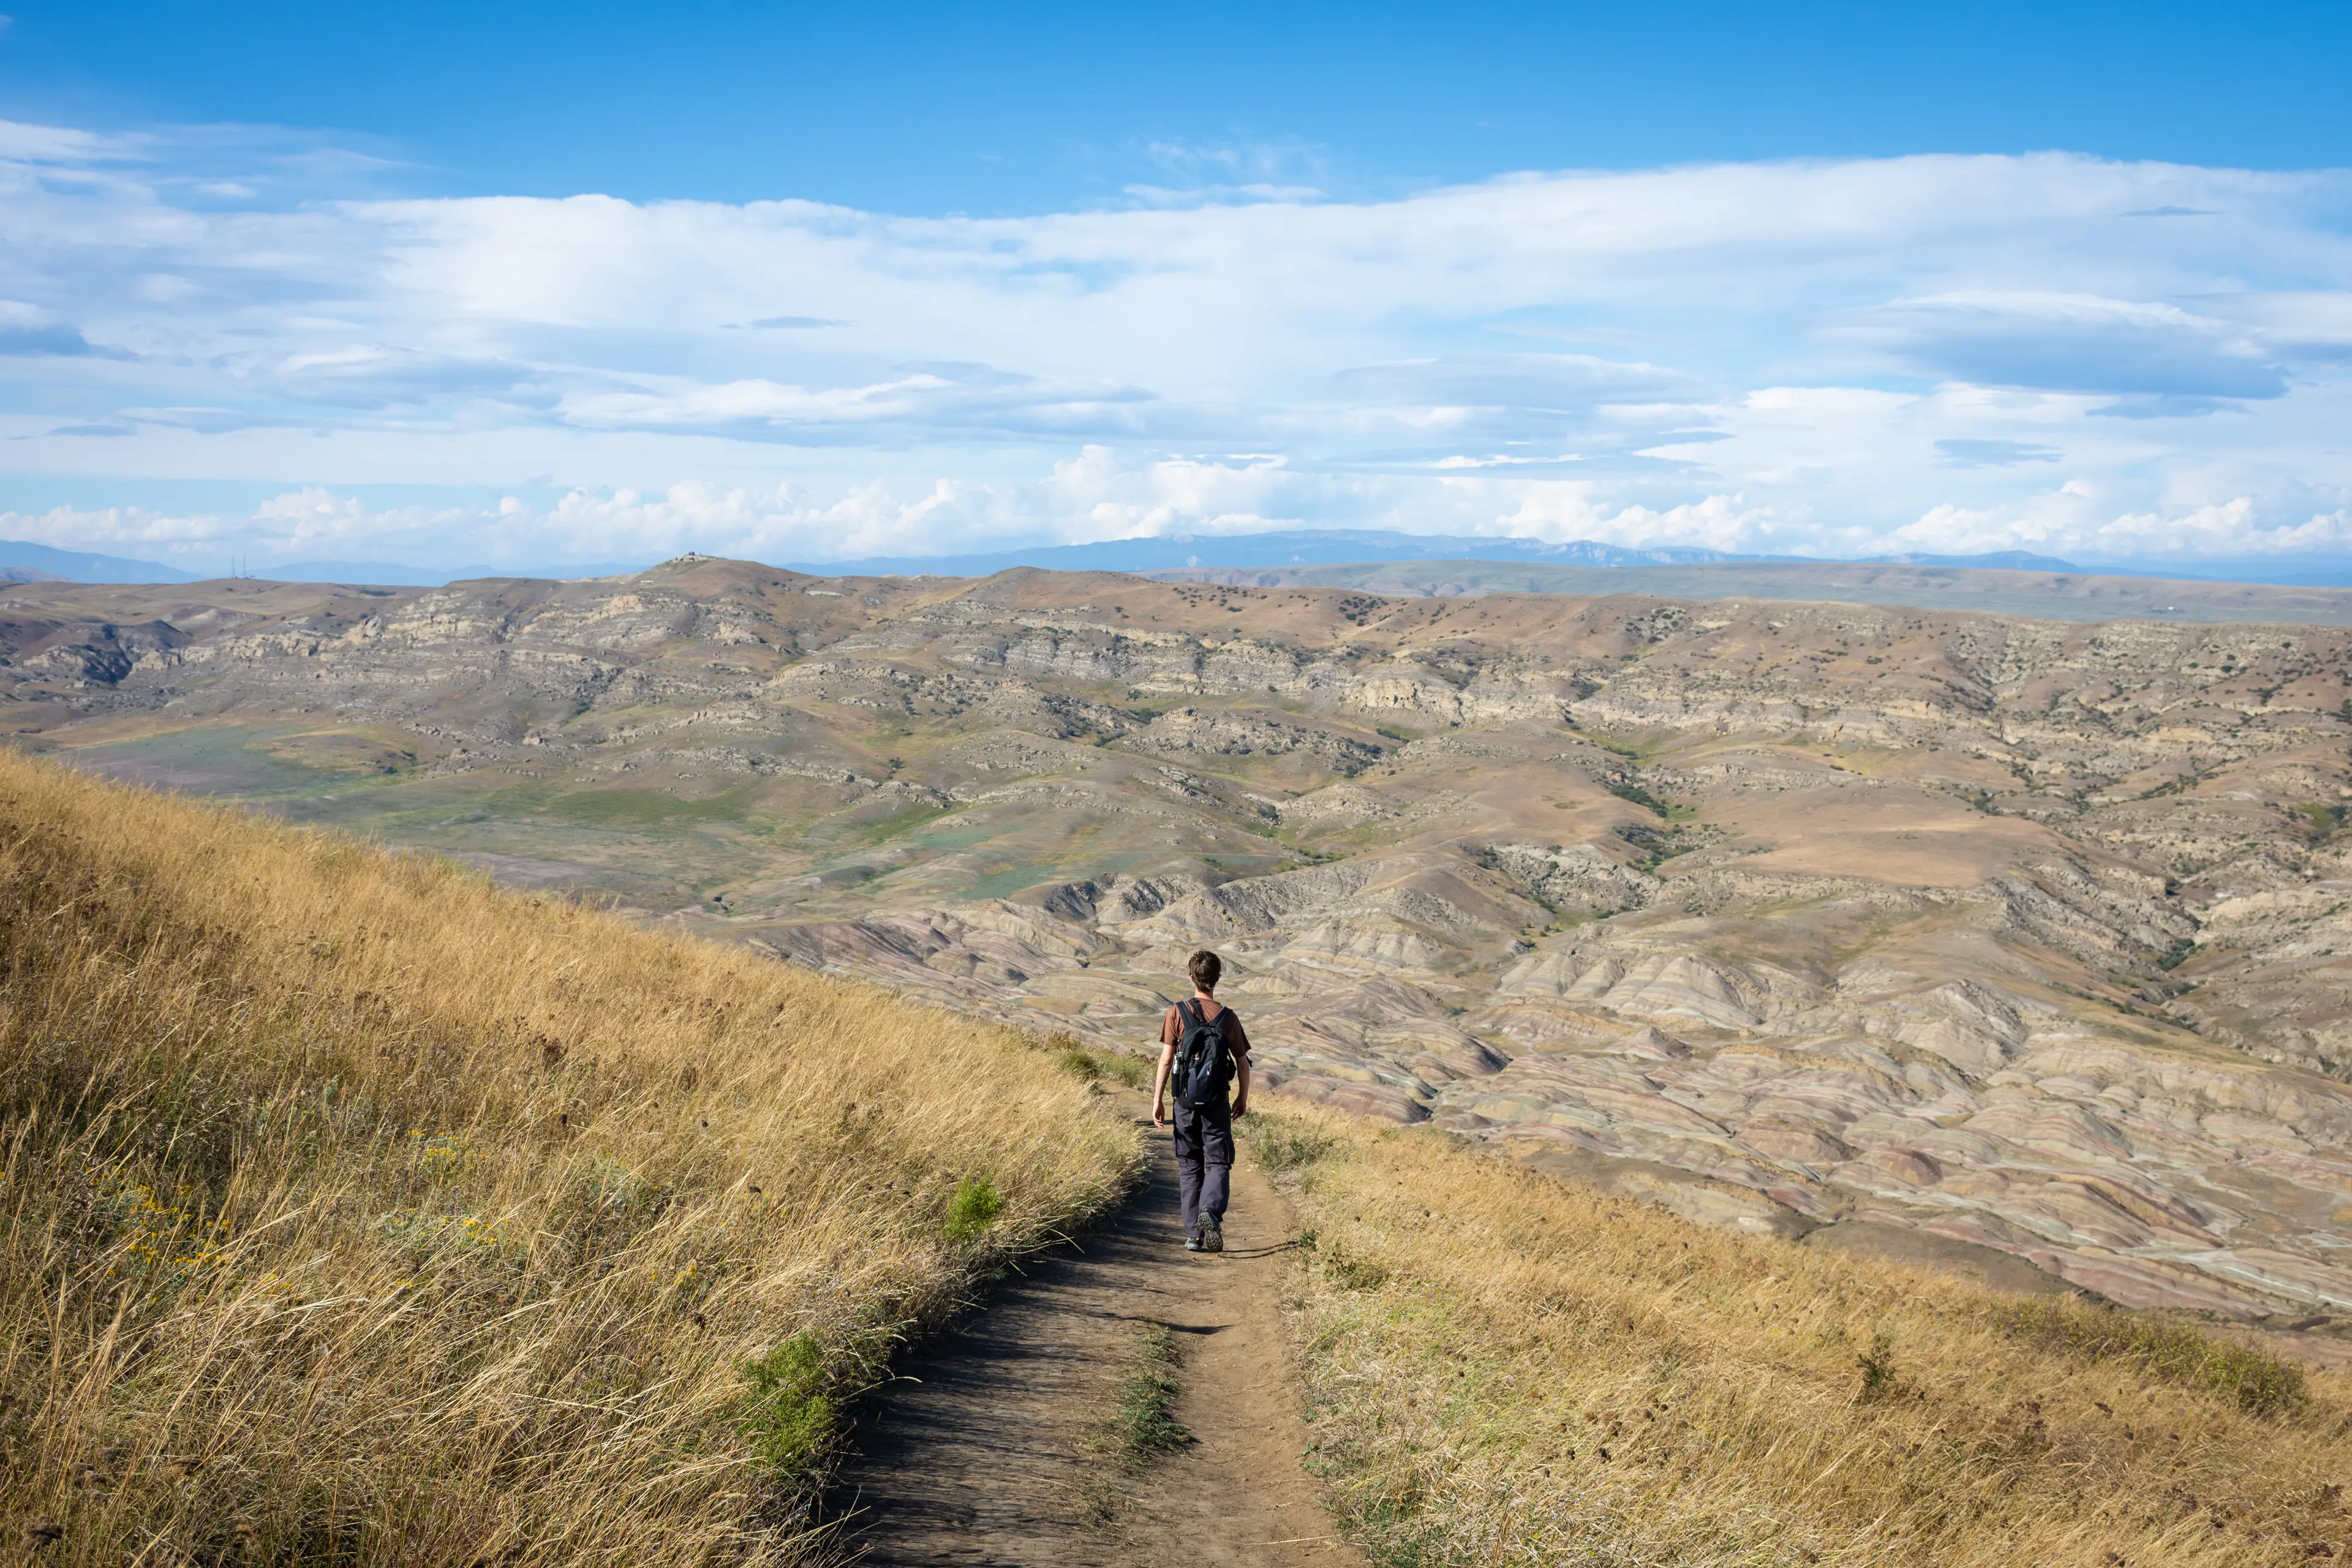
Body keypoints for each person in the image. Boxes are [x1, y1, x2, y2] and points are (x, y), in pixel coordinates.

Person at [1151, 948, 1251, 1253]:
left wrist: (1158, 1100)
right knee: (1218, 1161)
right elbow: (1243, 1063)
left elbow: (1166, 1061)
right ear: (1217, 979)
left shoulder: (1176, 1013)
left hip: (1184, 1103)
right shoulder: (1228, 1018)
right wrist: (1242, 1098)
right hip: (1217, 1103)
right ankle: (1211, 1210)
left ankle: (1194, 1234)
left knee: (1189, 1166)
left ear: (1191, 977)